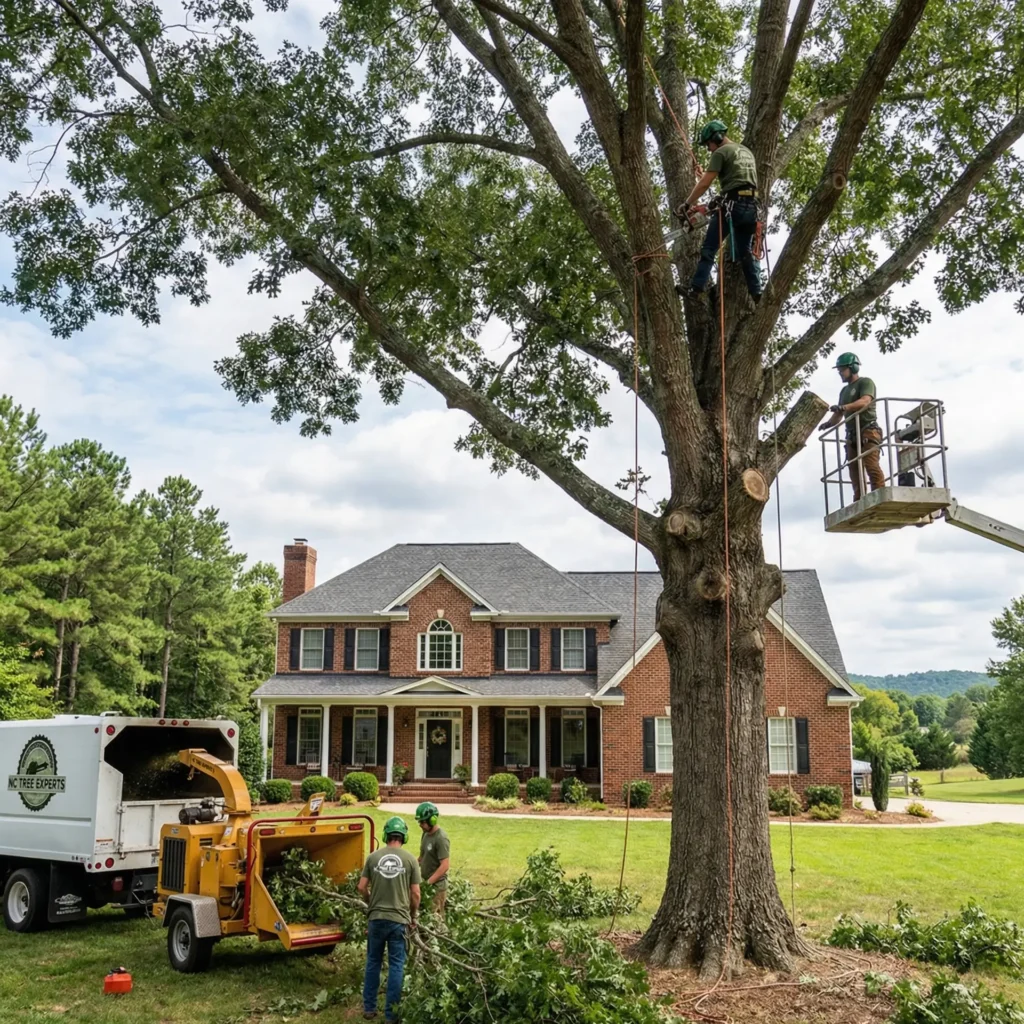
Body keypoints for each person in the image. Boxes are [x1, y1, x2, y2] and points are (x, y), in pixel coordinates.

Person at [680, 120, 763, 302]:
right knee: (745, 252)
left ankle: (695, 289)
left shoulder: (721, 152)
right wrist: (704, 174)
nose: (709, 149)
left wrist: (687, 203)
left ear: (716, 138)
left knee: (709, 248)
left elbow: (705, 184)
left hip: (732, 207)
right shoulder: (745, 151)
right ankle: (757, 293)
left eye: (709, 144)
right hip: (751, 208)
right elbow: (734, 178)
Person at [358, 816, 421, 1022]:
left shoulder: (373, 857)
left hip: (376, 919)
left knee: (373, 962)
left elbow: (361, 887)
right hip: (399, 922)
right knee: (396, 965)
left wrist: (371, 904)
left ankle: (369, 1008)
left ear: (386, 835)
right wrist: (412, 917)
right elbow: (416, 895)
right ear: (404, 836)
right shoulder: (411, 860)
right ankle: (391, 1015)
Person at [818, 352, 886, 501]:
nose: (840, 373)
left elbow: (865, 402)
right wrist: (829, 423)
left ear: (853, 368)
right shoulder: (844, 391)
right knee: (853, 470)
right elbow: (839, 415)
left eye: (842, 370)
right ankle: (859, 499)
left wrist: (843, 407)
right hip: (852, 436)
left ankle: (880, 495)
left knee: (871, 466)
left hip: (868, 431)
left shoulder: (865, 383)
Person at [415, 802, 451, 915]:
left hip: (437, 888)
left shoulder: (441, 838)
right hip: (426, 884)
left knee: (435, 921)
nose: (420, 824)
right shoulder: (425, 834)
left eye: (422, 822)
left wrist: (428, 883)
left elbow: (445, 865)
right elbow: (422, 857)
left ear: (432, 820)